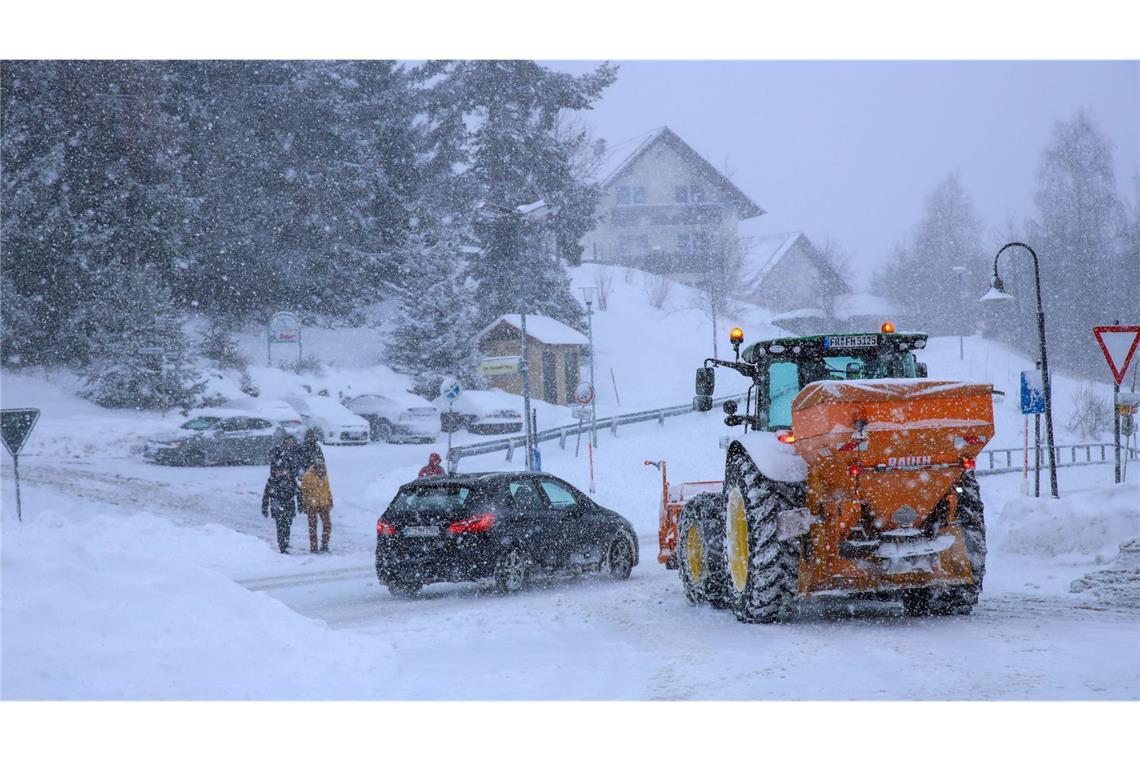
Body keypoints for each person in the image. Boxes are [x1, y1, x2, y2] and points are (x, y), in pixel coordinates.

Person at [262, 453, 300, 553]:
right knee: (280, 526)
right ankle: (282, 546)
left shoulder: (290, 480)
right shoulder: (272, 481)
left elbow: (298, 492)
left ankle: (286, 542)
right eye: (278, 470)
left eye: (283, 470)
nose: (281, 472)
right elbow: (266, 495)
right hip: (277, 504)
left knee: (287, 525)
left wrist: (300, 504)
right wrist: (264, 508)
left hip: (289, 504)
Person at [300, 461, 334, 553]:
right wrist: (305, 503)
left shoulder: (324, 476)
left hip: (324, 503)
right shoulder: (308, 475)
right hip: (312, 504)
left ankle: (324, 544)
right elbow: (303, 491)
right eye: (319, 467)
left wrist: (330, 500)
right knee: (312, 527)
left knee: (327, 525)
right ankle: (314, 547)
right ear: (315, 467)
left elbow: (327, 489)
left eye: (323, 467)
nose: (321, 469)